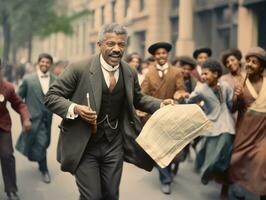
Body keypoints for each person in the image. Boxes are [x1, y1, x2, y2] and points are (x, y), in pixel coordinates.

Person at [44, 23, 173, 200]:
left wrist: (160, 104)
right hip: (84, 144)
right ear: (99, 45)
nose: (116, 49)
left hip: (114, 144)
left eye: (121, 44)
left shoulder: (129, 72)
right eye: (111, 44)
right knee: (93, 196)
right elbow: (51, 96)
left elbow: (138, 98)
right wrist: (75, 108)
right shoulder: (79, 68)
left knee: (111, 195)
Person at [178, 59, 235, 199]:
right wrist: (182, 96)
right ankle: (206, 172)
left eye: (206, 73)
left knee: (224, 150)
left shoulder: (225, 86)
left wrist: (237, 99)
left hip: (226, 122)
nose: (202, 76)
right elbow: (189, 101)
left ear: (216, 74)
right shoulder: (200, 89)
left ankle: (222, 182)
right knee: (205, 152)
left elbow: (229, 104)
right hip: (211, 124)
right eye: (202, 74)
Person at [141, 42, 187, 195]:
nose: (161, 56)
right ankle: (165, 180)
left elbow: (181, 89)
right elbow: (143, 94)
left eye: (163, 53)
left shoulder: (176, 71)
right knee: (159, 150)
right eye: (158, 54)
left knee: (173, 148)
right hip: (154, 116)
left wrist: (179, 95)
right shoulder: (149, 73)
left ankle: (171, 166)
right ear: (154, 56)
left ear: (167, 55)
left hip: (172, 116)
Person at [229, 47, 266, 200]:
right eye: (248, 61)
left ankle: (263, 192)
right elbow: (233, 108)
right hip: (244, 131)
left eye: (254, 62)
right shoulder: (240, 82)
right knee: (237, 161)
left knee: (261, 161)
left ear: (262, 67)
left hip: (263, 132)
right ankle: (237, 190)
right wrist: (237, 98)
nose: (249, 64)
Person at [16, 53, 56, 184]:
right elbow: (18, 100)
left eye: (47, 62)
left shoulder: (56, 80)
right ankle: (45, 171)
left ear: (51, 64)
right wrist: (25, 116)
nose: (45, 64)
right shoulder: (28, 79)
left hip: (47, 120)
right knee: (41, 144)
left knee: (44, 143)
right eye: (42, 62)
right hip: (33, 119)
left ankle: (40, 163)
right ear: (38, 63)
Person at [0, 58, 32, 200]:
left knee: (7, 156)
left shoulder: (7, 87)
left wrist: (25, 118)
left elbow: (20, 105)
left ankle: (11, 189)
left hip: (3, 126)